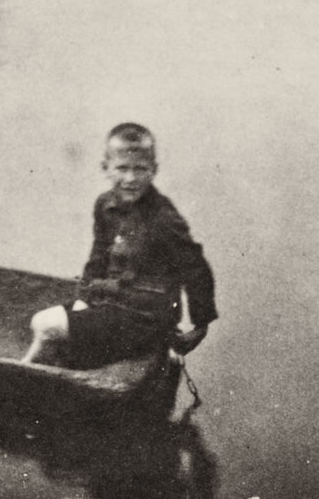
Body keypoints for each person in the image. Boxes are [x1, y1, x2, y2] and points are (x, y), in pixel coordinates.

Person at [22, 123, 216, 367]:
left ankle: (25, 369)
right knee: (40, 321)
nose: (130, 179)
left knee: (45, 324)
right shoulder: (105, 205)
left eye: (140, 169)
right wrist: (84, 299)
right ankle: (35, 367)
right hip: (112, 303)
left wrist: (200, 324)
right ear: (106, 168)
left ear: (153, 170)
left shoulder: (164, 218)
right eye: (122, 168)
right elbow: (97, 259)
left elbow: (195, 267)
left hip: (144, 317)